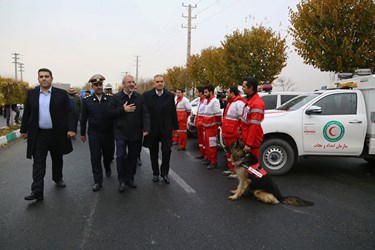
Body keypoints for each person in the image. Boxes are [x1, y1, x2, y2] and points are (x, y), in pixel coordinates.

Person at [21, 68, 76, 201]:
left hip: (57, 133)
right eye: (41, 77)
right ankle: (37, 190)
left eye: (46, 76)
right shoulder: (32, 94)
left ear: (51, 78)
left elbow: (70, 112)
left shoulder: (61, 94)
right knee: (38, 162)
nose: (44, 79)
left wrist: (71, 128)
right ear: (38, 79)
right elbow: (27, 113)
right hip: (39, 135)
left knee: (57, 158)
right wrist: (24, 130)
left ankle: (57, 178)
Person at [107, 75, 150, 192]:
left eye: (133, 82)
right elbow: (109, 113)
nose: (132, 84)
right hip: (121, 133)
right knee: (120, 157)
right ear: (123, 84)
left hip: (135, 133)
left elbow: (145, 114)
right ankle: (121, 181)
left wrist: (146, 128)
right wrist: (123, 110)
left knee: (133, 157)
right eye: (129, 82)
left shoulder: (140, 98)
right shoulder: (115, 98)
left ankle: (130, 178)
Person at [80, 74, 115, 192]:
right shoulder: (86, 101)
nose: (98, 87)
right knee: (95, 157)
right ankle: (98, 181)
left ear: (102, 85)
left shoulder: (110, 98)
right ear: (92, 86)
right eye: (96, 85)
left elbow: (115, 115)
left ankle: (107, 165)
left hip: (108, 133)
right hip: (94, 134)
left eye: (100, 84)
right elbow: (83, 117)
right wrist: (82, 133)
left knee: (108, 154)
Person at [142, 74, 178, 184]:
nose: (159, 83)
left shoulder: (170, 95)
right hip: (152, 129)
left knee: (167, 151)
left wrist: (176, 127)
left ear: (164, 83)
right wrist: (144, 127)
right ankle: (155, 173)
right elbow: (144, 113)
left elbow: (173, 112)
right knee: (153, 152)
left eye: (161, 81)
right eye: (157, 81)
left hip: (166, 129)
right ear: (154, 83)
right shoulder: (147, 95)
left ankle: (165, 173)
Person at [240, 76, 267, 178]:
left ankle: (259, 184)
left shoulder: (257, 103)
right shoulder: (250, 100)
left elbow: (254, 126)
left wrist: (249, 144)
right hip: (247, 139)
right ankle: (250, 185)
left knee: (254, 166)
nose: (242, 88)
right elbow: (245, 120)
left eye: (244, 86)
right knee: (249, 166)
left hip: (252, 141)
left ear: (251, 88)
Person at [221, 86, 245, 178]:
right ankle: (231, 169)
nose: (226, 94)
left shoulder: (239, 103)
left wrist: (239, 133)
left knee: (235, 154)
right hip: (228, 132)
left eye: (227, 92)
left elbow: (241, 119)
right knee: (229, 153)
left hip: (233, 133)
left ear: (232, 93)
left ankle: (236, 172)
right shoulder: (231, 103)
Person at [201, 85, 222, 169]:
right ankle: (209, 159)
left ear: (211, 92)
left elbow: (218, 115)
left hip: (212, 128)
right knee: (207, 145)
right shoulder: (207, 101)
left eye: (206, 92)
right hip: (207, 127)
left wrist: (216, 125)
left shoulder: (214, 101)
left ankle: (214, 162)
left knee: (211, 145)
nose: (204, 94)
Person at [194, 86, 206, 160]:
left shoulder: (205, 101)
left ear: (200, 93)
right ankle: (202, 153)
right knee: (201, 141)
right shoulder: (200, 100)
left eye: (197, 92)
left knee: (204, 141)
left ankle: (205, 155)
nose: (196, 93)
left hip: (202, 122)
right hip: (199, 122)